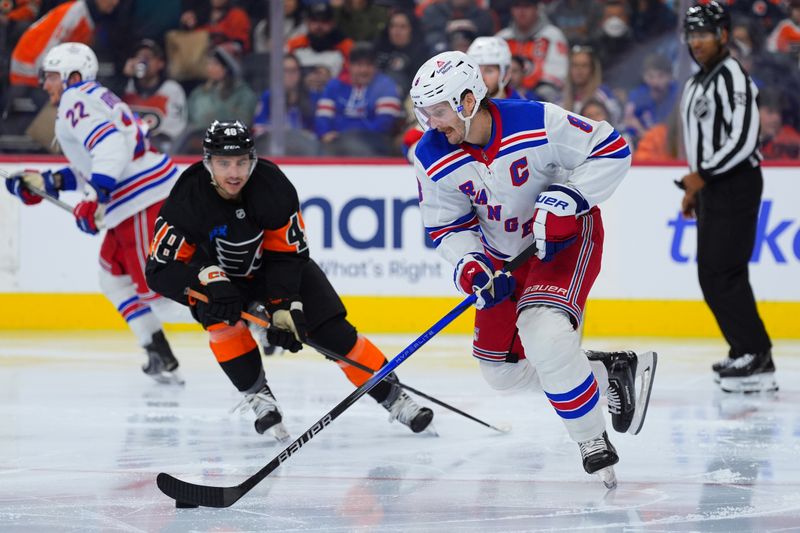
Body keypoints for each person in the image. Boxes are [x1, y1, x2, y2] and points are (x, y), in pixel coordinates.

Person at [409, 50, 656, 487]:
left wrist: (570, 197)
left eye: (439, 111)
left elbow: (612, 148)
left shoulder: (536, 120)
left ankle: (591, 439)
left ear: (468, 101)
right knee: (500, 372)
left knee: (543, 334)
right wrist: (470, 265)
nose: (432, 122)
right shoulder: (430, 153)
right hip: (504, 259)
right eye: (425, 112)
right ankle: (610, 371)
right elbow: (447, 224)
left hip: (563, 243)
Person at [145, 120, 435, 440]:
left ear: (253, 160)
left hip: (271, 268)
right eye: (223, 163)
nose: (233, 173)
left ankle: (395, 397)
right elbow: (159, 271)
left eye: (241, 162)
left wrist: (284, 306)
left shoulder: (271, 186)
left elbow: (286, 255)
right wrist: (206, 280)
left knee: (333, 334)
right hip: (216, 275)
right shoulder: (188, 197)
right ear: (207, 162)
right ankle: (259, 398)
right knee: (222, 321)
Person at [4, 42, 184, 385]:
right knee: (111, 277)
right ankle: (156, 348)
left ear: (73, 75)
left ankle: (248, 320)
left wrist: (95, 198)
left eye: (52, 76)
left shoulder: (75, 97)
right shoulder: (89, 97)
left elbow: (110, 148)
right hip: (133, 201)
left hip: (140, 201)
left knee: (163, 297)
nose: (45, 85)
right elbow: (93, 164)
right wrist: (46, 181)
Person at [678, 1, 776, 393]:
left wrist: (702, 175)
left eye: (704, 33)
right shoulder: (695, 81)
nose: (697, 41)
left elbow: (743, 138)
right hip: (713, 187)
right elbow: (698, 140)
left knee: (725, 272)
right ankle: (745, 350)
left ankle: (756, 353)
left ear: (723, 34)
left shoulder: (733, 75)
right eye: (692, 34)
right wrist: (694, 190)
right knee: (712, 273)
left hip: (735, 183)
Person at [121, 39, 188, 153]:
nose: (143, 62)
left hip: (160, 151)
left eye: (148, 57)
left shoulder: (171, 89)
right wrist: (122, 77)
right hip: (125, 148)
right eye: (139, 57)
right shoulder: (125, 86)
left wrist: (148, 143)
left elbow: (176, 128)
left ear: (160, 63)